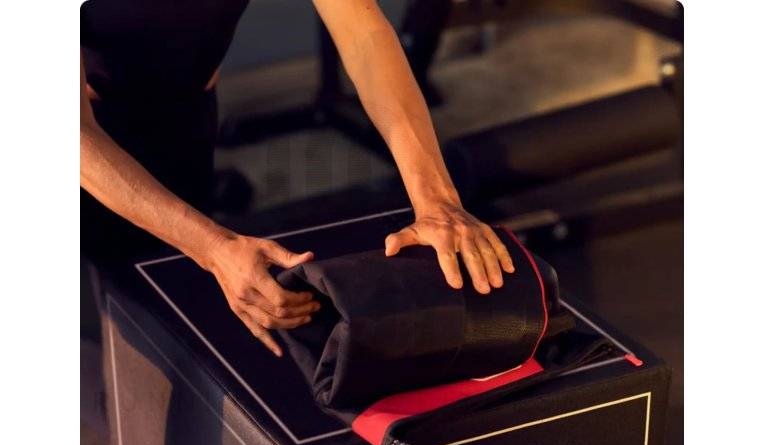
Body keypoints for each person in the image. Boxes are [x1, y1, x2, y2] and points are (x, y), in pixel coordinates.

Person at [80, 0, 515, 357]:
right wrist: (215, 248)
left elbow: (362, 31)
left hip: (186, 117)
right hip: (86, 140)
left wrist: (437, 201)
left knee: (162, 310)